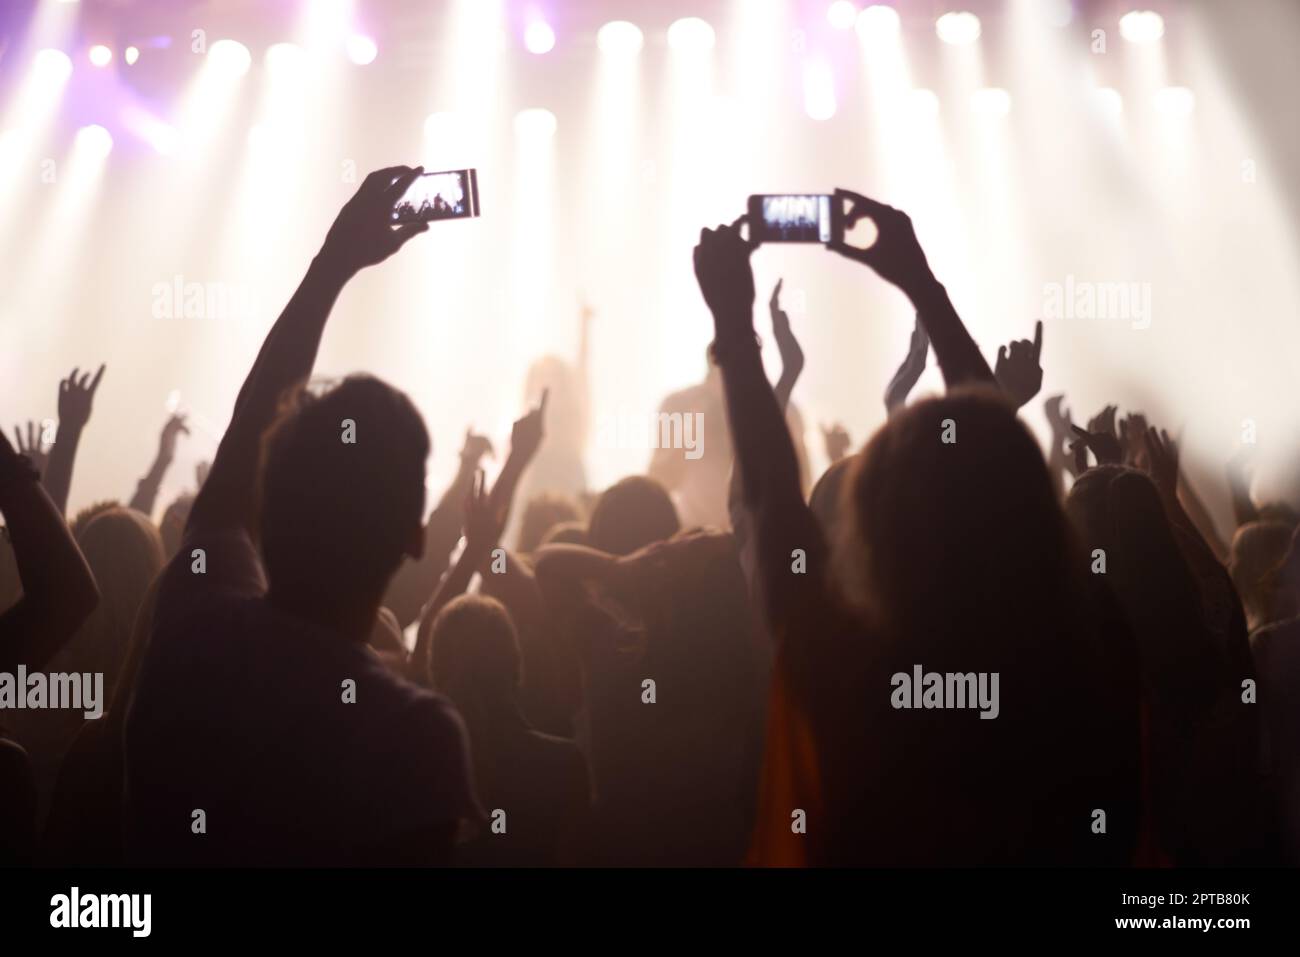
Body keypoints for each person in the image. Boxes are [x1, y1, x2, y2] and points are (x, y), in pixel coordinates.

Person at [694, 196, 1138, 865]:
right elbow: (993, 480)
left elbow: (770, 496)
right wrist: (918, 280)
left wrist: (733, 322)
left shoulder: (846, 661)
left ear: (867, 532)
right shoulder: (1078, 639)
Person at [124, 166, 480, 866]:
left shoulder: (191, 628)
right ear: (415, 537)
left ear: (269, 499)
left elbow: (246, 432)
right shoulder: (413, 734)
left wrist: (333, 264)